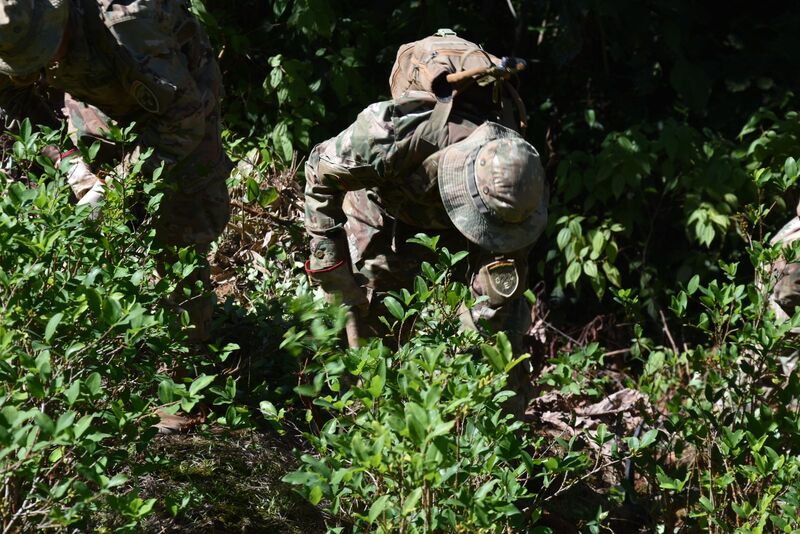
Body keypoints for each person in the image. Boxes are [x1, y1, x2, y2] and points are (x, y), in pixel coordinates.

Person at [304, 82, 548, 409]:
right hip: (382, 219)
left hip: (460, 235)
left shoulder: (521, 186)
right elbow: (319, 173)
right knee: (368, 331)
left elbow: (495, 291)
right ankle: (357, 416)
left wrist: (465, 356)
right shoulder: (390, 136)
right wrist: (332, 268)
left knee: (499, 341)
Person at [0, 0, 231, 342]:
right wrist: (70, 165)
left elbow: (184, 119)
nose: (42, 67)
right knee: (98, 230)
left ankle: (189, 350)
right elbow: (11, 100)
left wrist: (117, 186)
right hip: (98, 96)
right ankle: (120, 339)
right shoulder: (8, 28)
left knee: (181, 234)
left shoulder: (127, 23)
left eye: (42, 55)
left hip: (180, 101)